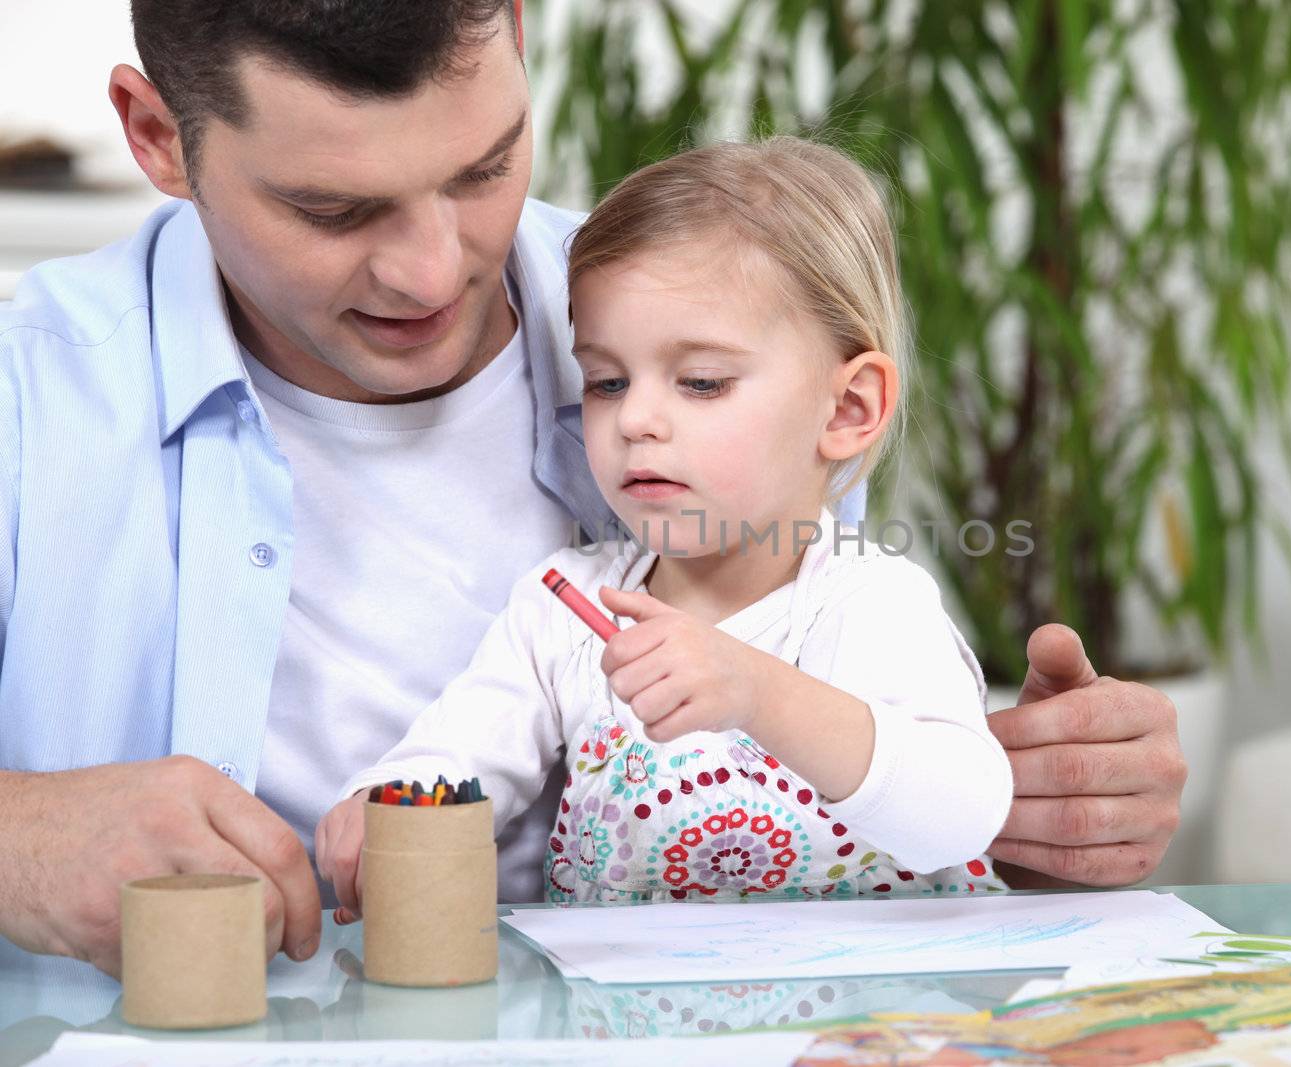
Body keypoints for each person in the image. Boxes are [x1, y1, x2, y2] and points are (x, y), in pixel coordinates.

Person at [0, 0, 1185, 982]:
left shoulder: (711, 310)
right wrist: (19, 837)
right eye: (335, 209)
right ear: (158, 137)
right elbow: (464, 749)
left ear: (517, 32)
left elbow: (894, 798)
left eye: (482, 169)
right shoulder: (30, 398)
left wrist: (1037, 807)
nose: (429, 269)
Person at [318, 138, 1013, 912]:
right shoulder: (566, 609)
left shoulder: (870, 602)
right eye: (607, 381)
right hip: (634, 1028)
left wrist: (755, 691)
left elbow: (962, 814)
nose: (636, 419)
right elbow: (459, 753)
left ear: (848, 409)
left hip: (860, 1025)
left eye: (702, 382)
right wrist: (384, 801)